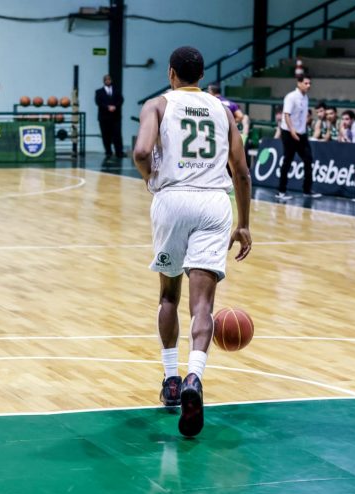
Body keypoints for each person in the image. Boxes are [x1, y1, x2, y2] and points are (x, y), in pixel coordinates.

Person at [133, 46, 252, 438]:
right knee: (204, 305)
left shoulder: (157, 105)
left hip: (173, 200)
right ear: (201, 75)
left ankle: (171, 379)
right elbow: (242, 172)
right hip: (214, 203)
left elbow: (141, 151)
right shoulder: (222, 110)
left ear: (171, 73)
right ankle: (194, 377)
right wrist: (244, 224)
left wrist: (150, 178)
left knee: (169, 295)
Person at [276, 75, 321, 200]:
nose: (308, 86)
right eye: (306, 83)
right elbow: (286, 115)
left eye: (310, 83)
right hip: (289, 132)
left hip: (302, 134)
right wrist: (292, 131)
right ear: (299, 83)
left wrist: (302, 129)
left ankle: (307, 189)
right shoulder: (291, 97)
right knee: (288, 160)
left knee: (308, 159)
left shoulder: (305, 97)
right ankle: (281, 191)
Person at [94, 74, 124, 158]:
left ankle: (119, 152)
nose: (108, 81)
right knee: (105, 135)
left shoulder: (116, 90)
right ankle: (108, 151)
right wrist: (107, 107)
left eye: (109, 79)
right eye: (106, 80)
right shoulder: (99, 92)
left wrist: (115, 106)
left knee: (117, 134)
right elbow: (98, 102)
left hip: (115, 116)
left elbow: (121, 100)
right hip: (104, 117)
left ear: (111, 80)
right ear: (104, 81)